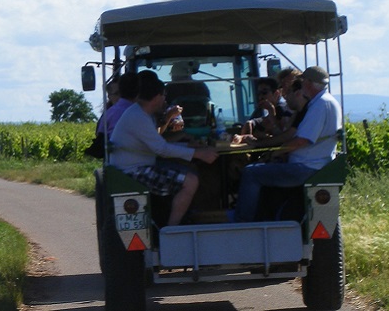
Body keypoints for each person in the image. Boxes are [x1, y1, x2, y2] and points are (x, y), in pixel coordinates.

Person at [233, 66, 341, 222]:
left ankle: (242, 223)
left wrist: (274, 153)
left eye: (303, 81)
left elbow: (302, 140)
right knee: (261, 171)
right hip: (314, 165)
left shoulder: (319, 105)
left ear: (308, 83)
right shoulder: (324, 102)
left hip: (306, 167)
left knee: (251, 173)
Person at [110, 72, 219, 226]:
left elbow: (158, 143)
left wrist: (189, 146)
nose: (165, 100)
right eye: (164, 96)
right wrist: (199, 153)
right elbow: (161, 148)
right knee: (190, 180)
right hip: (133, 172)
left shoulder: (141, 114)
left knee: (189, 170)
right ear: (157, 97)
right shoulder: (138, 117)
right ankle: (172, 229)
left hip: (137, 166)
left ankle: (182, 218)